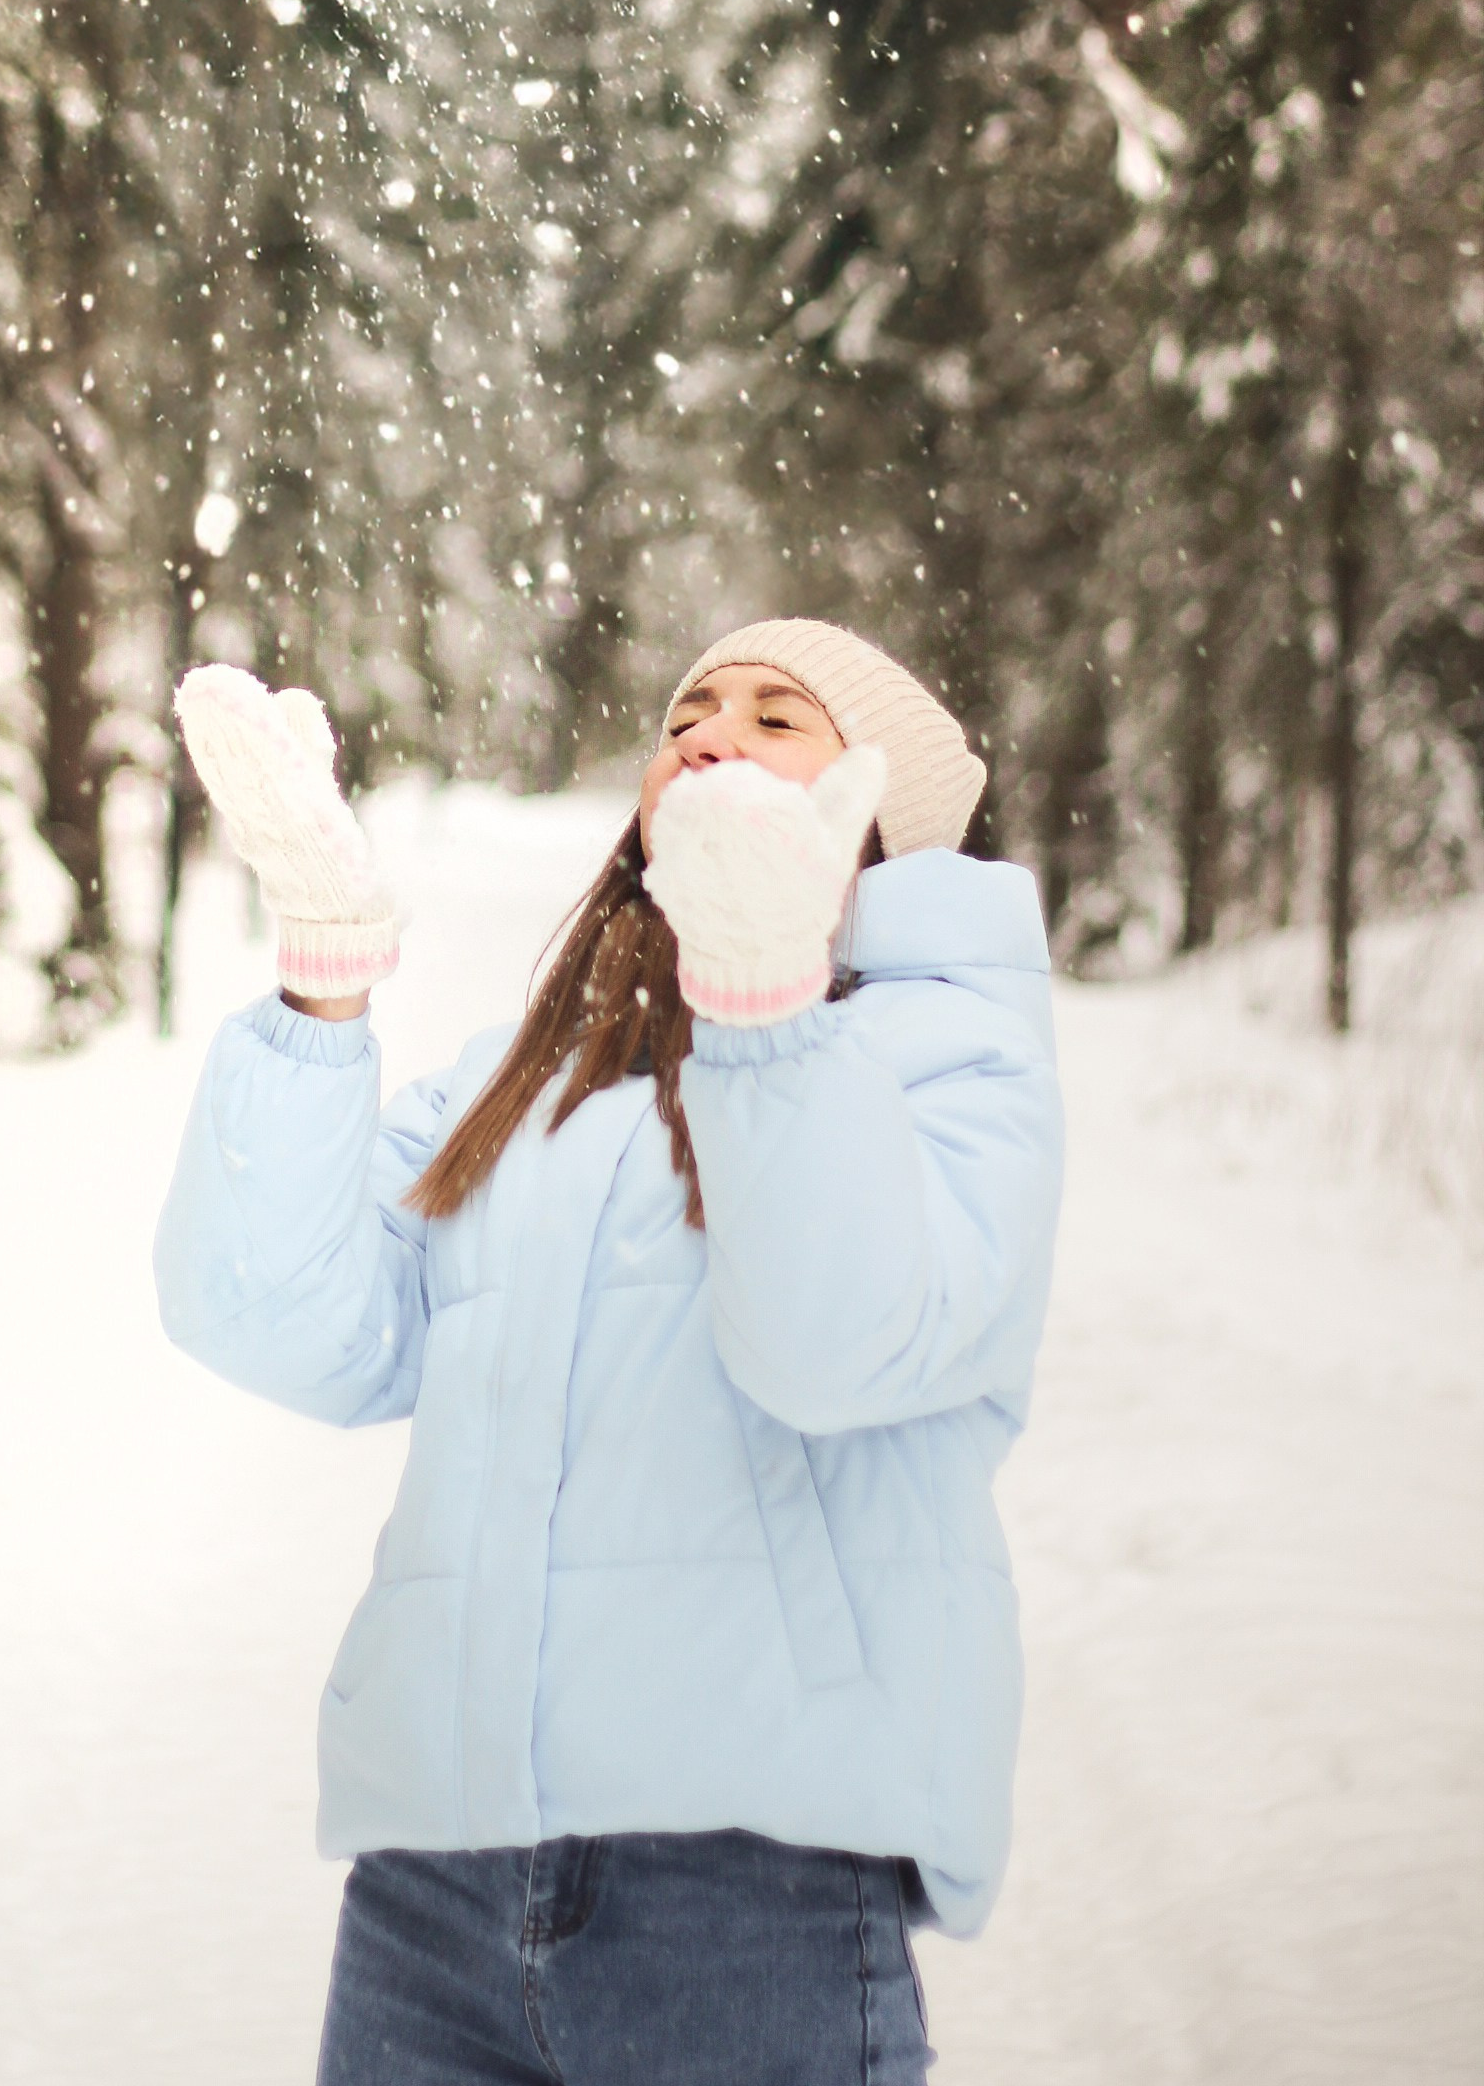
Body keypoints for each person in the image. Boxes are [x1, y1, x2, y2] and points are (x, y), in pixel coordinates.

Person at [154, 617, 1064, 2086]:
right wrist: (324, 975)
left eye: (779, 719)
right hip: (438, 1888)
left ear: (883, 814)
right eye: (691, 710)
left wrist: (766, 1010)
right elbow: (283, 1321)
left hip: (748, 1898)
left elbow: (840, 1349)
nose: (710, 732)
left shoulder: (947, 1057)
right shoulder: (541, 1073)